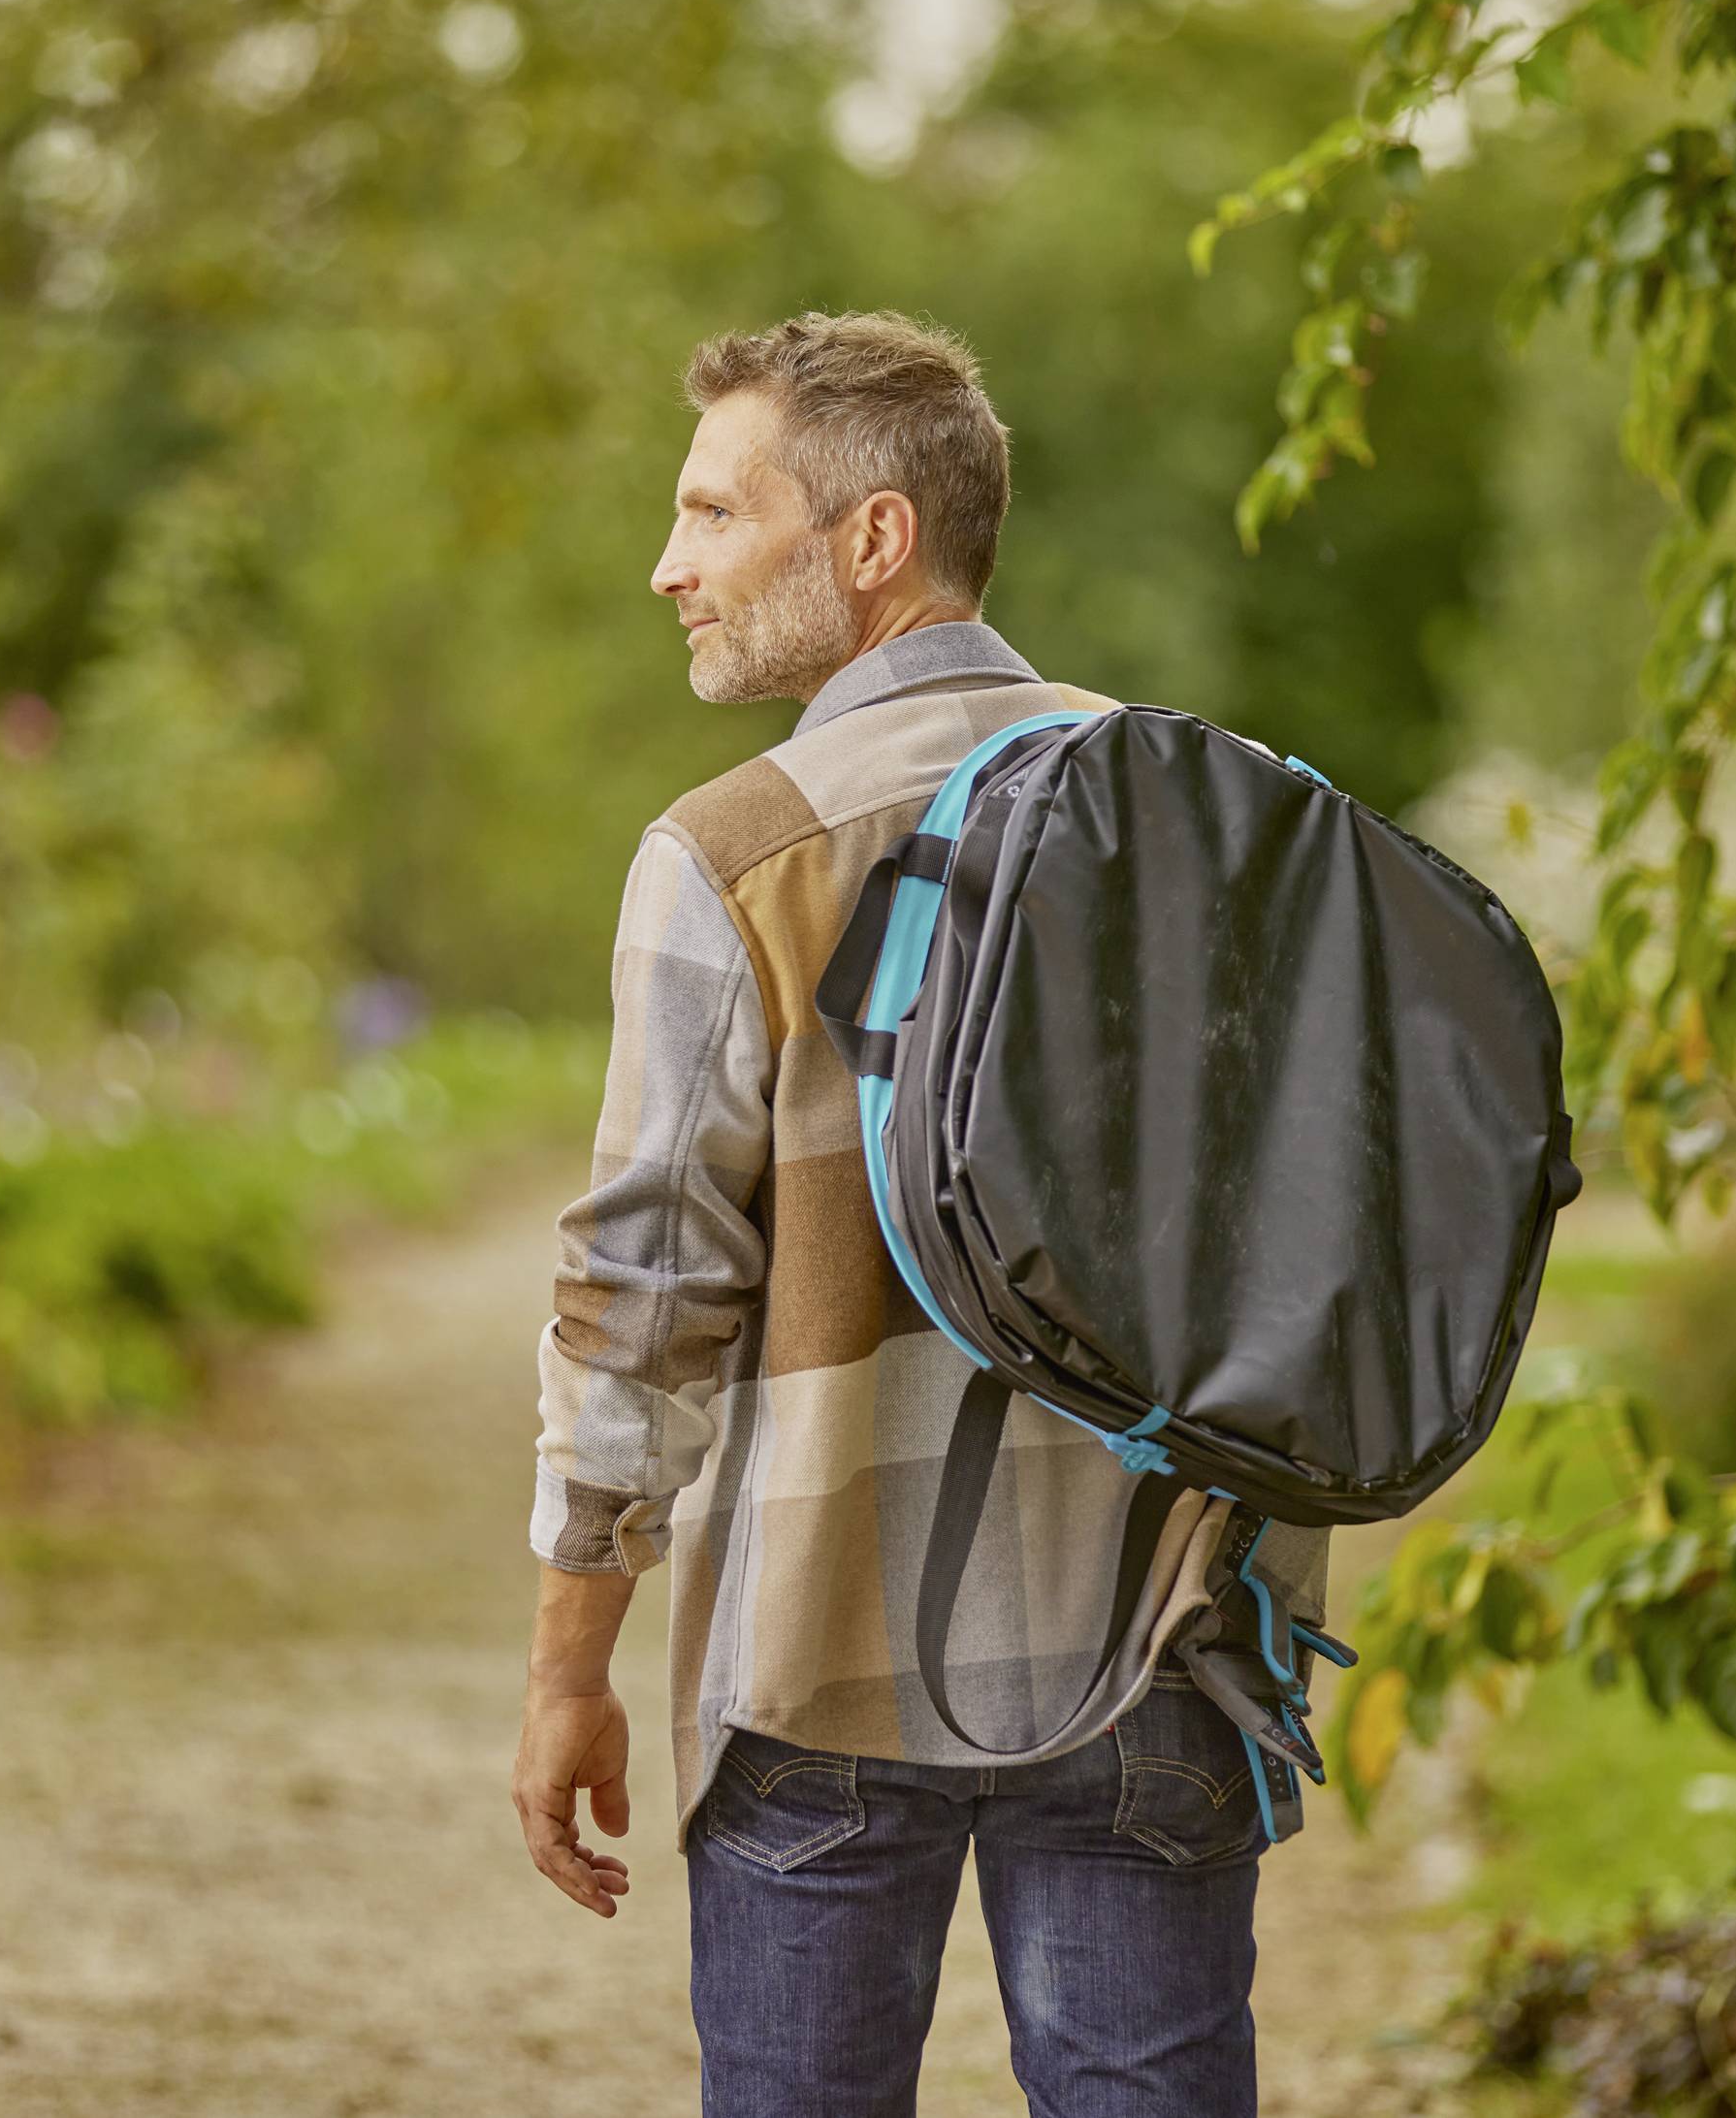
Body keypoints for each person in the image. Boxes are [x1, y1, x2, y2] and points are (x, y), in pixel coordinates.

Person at [510, 306, 1331, 2118]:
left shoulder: (735, 851)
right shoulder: (1216, 817)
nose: (669, 568)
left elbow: (645, 1289)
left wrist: (572, 1662)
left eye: (714, 513)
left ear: (873, 538)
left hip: (824, 1651)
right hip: (1158, 1630)